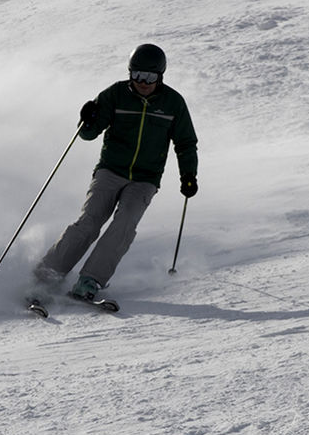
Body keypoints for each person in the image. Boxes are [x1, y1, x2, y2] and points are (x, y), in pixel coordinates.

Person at [34, 43, 199, 301]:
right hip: (110, 171)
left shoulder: (173, 104)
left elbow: (185, 143)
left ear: (161, 76)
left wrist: (188, 175)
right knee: (89, 221)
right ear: (130, 73)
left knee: (124, 225)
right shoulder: (115, 95)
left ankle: (90, 280)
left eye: (150, 77)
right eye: (137, 75)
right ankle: (47, 275)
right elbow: (88, 134)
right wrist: (86, 119)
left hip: (145, 179)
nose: (143, 82)